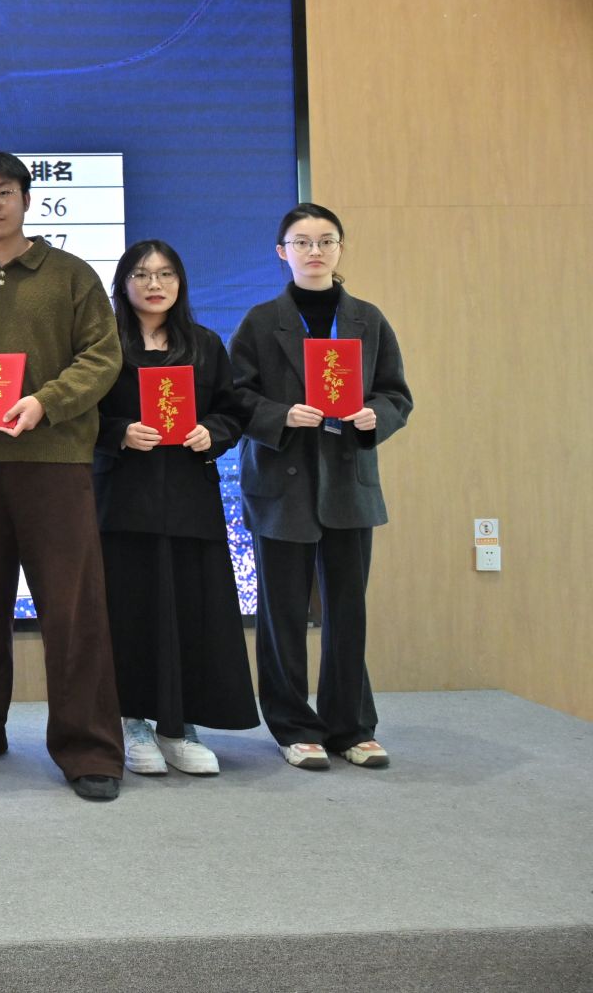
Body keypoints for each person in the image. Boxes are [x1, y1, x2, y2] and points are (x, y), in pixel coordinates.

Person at [0, 153, 126, 801]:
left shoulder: (69, 274)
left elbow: (103, 357)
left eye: (4, 192)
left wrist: (46, 401)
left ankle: (89, 746)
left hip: (56, 462)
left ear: (26, 199)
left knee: (72, 610)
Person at [230, 203, 412, 770]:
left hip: (347, 483)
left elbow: (396, 395)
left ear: (339, 249)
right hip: (280, 484)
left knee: (347, 611)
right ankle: (292, 726)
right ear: (281, 252)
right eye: (302, 242)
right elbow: (234, 397)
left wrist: (375, 417)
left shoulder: (367, 319)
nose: (314, 251)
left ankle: (351, 727)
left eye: (325, 241)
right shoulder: (261, 321)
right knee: (282, 612)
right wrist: (281, 415)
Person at [92, 239, 258, 776]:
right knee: (130, 611)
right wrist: (119, 432)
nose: (154, 284)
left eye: (165, 274)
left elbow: (232, 411)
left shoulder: (204, 344)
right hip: (123, 501)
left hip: (189, 499)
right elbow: (80, 413)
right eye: (141, 274)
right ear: (123, 284)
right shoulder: (103, 344)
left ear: (180, 282)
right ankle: (134, 722)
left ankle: (180, 726)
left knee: (191, 610)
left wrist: (212, 432)